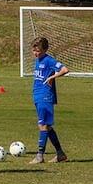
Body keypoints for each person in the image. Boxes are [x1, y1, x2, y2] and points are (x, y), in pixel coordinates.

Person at [30, 36, 69, 164]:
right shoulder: (38, 60)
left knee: (43, 125)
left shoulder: (48, 60)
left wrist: (53, 76)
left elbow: (65, 70)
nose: (36, 53)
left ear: (45, 50)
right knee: (46, 126)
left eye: (39, 51)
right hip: (38, 95)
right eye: (34, 51)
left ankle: (40, 155)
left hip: (45, 96)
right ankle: (60, 154)